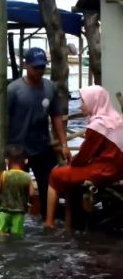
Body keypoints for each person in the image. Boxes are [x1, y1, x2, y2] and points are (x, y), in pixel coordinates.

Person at [0, 47, 71, 219]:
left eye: (42, 67)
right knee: (14, 190)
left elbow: (56, 116)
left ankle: (47, 225)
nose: (39, 71)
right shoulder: (13, 89)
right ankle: (8, 226)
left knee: (48, 186)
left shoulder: (50, 88)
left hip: (42, 147)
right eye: (35, 67)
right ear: (25, 65)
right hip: (17, 151)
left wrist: (64, 144)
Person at [45, 85, 123, 230]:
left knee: (55, 174)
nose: (81, 106)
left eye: (84, 101)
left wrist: (71, 163)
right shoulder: (117, 119)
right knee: (68, 175)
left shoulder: (98, 126)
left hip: (103, 171)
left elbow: (84, 156)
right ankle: (69, 223)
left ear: (95, 101)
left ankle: (49, 222)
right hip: (117, 170)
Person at [0, 144, 35, 238]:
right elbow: (32, 194)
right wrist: (29, 203)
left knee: (0, 231)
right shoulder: (27, 177)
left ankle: (2, 246)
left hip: (4, 210)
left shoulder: (4, 175)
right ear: (25, 161)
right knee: (17, 235)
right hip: (19, 212)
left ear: (7, 160)